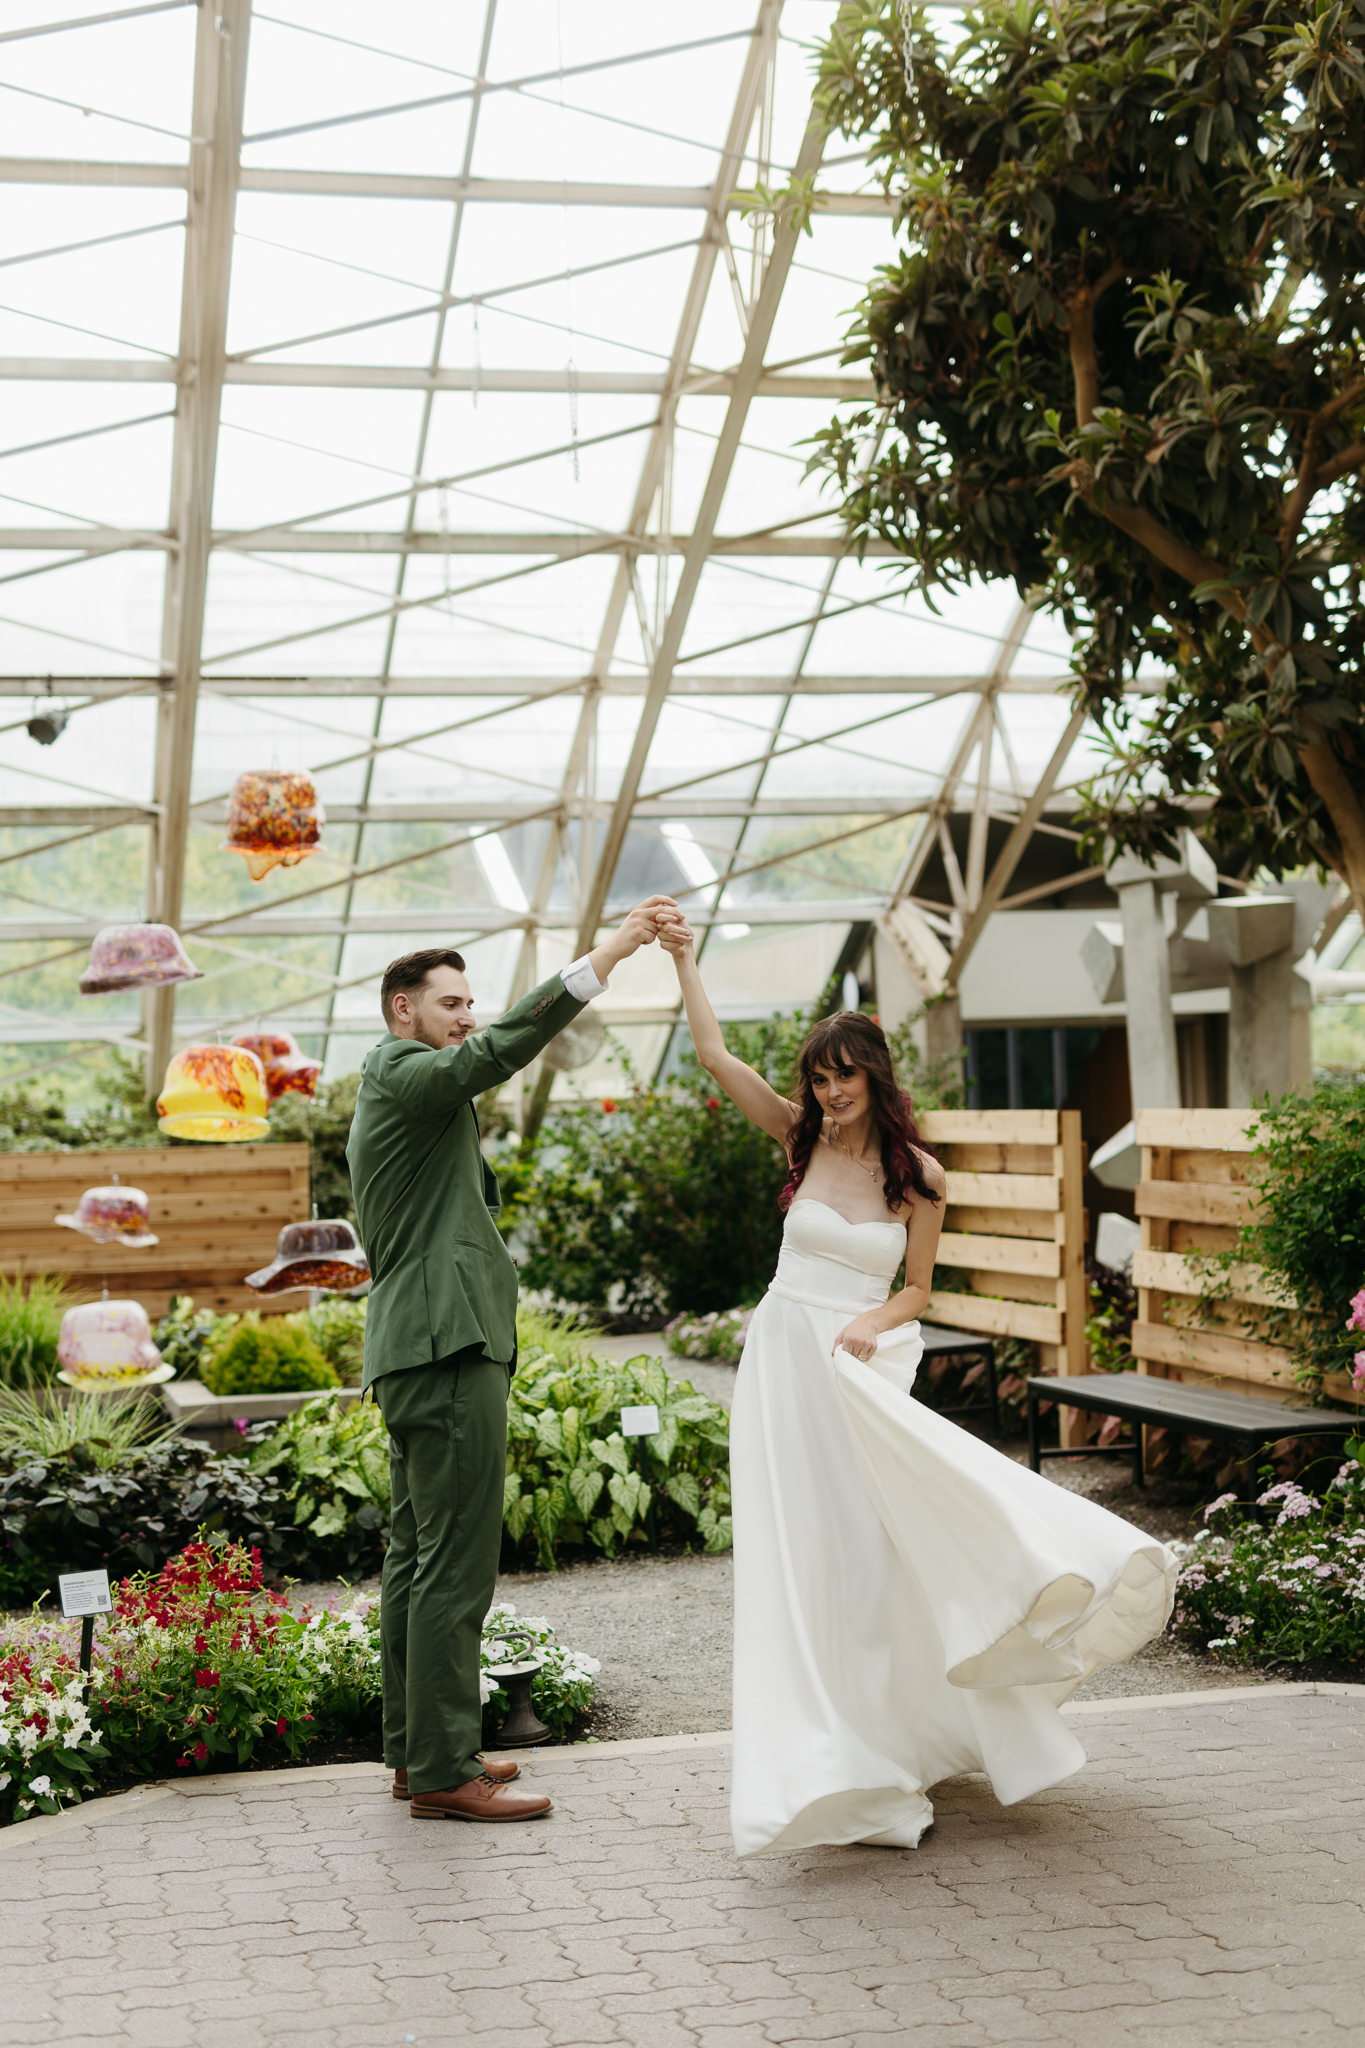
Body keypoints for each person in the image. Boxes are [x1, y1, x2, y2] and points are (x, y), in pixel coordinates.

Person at [659, 915, 1175, 1855]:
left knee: (879, 1547)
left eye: (842, 1077)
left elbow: (919, 1291)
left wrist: (868, 1321)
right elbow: (711, 1051)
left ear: (874, 1076)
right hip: (784, 1363)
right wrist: (686, 958)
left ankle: (912, 1728)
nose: (827, 1093)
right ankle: (836, 1749)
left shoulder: (918, 1177)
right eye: (817, 1078)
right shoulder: (795, 1140)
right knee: (807, 1554)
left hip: (856, 1363)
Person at [347, 899, 678, 1823]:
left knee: (418, 1557)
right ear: (399, 1011)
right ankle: (446, 1770)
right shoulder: (406, 1072)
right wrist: (611, 951)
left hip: (419, 1345)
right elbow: (497, 1055)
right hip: (448, 1344)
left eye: (468, 1001)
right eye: (447, 1002)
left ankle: (420, 1754)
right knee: (455, 1564)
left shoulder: (404, 1091)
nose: (466, 1016)